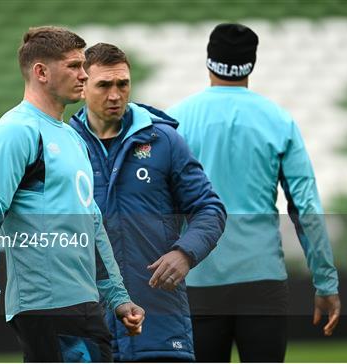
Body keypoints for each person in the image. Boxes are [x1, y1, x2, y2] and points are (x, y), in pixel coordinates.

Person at [0, 27, 145, 362]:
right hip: (47, 305)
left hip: (82, 303)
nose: (84, 73)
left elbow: (91, 223)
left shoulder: (72, 138)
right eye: (74, 65)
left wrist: (117, 296)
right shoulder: (14, 132)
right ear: (41, 72)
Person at [167, 23, 341, 362]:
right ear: (252, 63)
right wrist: (326, 284)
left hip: (197, 276)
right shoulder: (279, 121)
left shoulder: (175, 122)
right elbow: (305, 208)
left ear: (209, 61)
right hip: (261, 279)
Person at [69, 43, 226, 362]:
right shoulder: (63, 146)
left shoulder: (164, 140)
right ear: (83, 86)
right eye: (104, 85)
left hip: (158, 320)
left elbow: (210, 208)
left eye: (122, 84)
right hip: (86, 321)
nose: (115, 95)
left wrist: (185, 253)